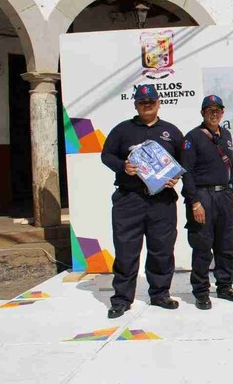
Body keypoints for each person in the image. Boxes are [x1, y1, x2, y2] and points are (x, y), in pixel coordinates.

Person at [101, 84, 183, 319]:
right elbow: (106, 155)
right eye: (142, 102)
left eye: (151, 102)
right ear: (136, 105)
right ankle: (121, 299)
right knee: (126, 250)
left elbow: (183, 162)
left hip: (162, 201)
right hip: (130, 200)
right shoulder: (122, 130)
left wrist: (175, 178)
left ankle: (160, 294)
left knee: (162, 249)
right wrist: (122, 166)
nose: (147, 105)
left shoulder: (171, 131)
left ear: (158, 103)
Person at [180, 95, 233, 310]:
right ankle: (201, 291)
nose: (214, 113)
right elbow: (186, 173)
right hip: (203, 196)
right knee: (202, 245)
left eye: (218, 110)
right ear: (202, 113)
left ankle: (225, 286)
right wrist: (194, 203)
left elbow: (231, 165)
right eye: (209, 110)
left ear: (223, 113)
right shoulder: (192, 138)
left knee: (226, 243)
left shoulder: (226, 135)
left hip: (224, 196)